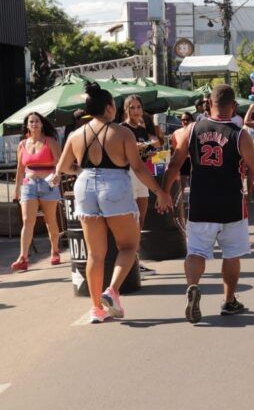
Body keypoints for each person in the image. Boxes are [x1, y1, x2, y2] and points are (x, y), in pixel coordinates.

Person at [54, 82, 172, 323]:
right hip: (115, 185)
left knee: (95, 254)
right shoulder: (122, 133)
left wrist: (81, 170)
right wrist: (159, 191)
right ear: (109, 107)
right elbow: (138, 168)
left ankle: (96, 309)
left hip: (85, 186)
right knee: (128, 246)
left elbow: (63, 167)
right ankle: (112, 290)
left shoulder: (76, 135)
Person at [163, 84, 254, 324]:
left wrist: (163, 192)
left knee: (196, 251)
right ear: (233, 107)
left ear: (209, 104)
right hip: (231, 204)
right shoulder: (239, 134)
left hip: (201, 202)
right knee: (231, 254)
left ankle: (193, 286)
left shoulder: (191, 130)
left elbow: (175, 164)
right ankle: (229, 301)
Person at [11, 112, 63, 272]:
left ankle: (55, 250)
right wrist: (16, 189)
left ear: (41, 124)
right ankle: (23, 257)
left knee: (50, 220)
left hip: (48, 183)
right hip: (29, 184)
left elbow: (59, 162)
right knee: (28, 220)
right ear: (27, 125)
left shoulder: (50, 141)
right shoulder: (22, 144)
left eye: (37, 121)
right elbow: (20, 168)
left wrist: (57, 175)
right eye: (31, 121)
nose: (34, 124)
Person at [122, 95, 162, 277]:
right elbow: (127, 151)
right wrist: (144, 145)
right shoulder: (123, 129)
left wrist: (153, 147)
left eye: (138, 107)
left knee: (141, 219)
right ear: (126, 110)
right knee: (130, 219)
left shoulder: (142, 129)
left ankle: (135, 259)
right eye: (132, 107)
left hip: (143, 174)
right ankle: (129, 261)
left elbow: (149, 153)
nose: (136, 110)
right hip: (128, 174)